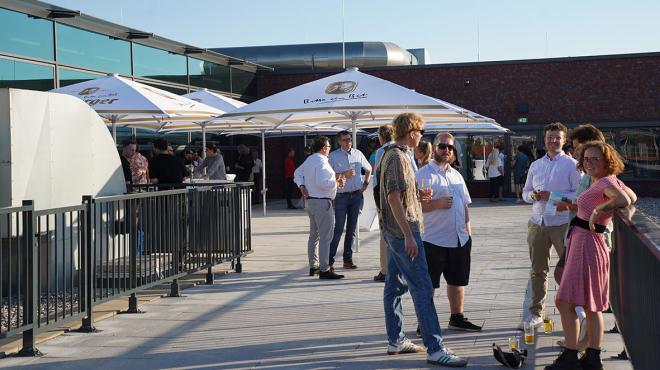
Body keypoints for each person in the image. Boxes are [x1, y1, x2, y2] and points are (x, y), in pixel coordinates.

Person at [378, 113, 467, 367]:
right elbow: (393, 197)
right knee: (422, 287)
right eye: (421, 131)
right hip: (403, 230)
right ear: (412, 132)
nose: (422, 136)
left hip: (397, 229)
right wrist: (408, 235)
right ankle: (435, 347)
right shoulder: (396, 156)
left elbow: (399, 194)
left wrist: (417, 195)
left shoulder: (397, 154)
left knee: (394, 286)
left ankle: (395, 339)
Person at [546, 142, 633, 370]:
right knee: (589, 304)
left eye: (596, 159)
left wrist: (598, 211)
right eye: (586, 159)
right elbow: (631, 196)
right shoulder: (605, 180)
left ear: (607, 161)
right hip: (584, 241)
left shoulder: (605, 181)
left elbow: (624, 200)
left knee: (565, 301)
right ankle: (591, 358)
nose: (590, 163)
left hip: (588, 243)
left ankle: (572, 356)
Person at [416, 132, 481, 334]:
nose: (447, 151)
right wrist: (436, 204)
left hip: (459, 238)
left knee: (458, 280)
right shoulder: (423, 174)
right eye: (442, 146)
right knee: (430, 284)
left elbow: (465, 204)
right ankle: (424, 323)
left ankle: (457, 317)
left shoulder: (456, 174)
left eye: (450, 147)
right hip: (433, 239)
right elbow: (414, 207)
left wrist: (468, 230)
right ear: (434, 148)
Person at [519, 122, 581, 330]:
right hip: (537, 223)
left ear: (564, 140)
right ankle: (535, 314)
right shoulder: (536, 165)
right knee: (538, 271)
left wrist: (552, 196)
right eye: (550, 137)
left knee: (568, 271)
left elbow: (578, 194)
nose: (553, 141)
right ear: (544, 140)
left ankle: (574, 314)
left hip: (561, 224)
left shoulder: (572, 165)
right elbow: (525, 193)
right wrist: (532, 195)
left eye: (557, 137)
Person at [294, 136, 345, 280]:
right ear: (323, 148)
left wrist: (301, 185)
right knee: (325, 237)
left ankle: (314, 266)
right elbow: (322, 182)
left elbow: (297, 173)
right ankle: (324, 268)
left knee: (314, 236)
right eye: (329, 147)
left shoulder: (310, 159)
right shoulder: (322, 161)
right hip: (322, 202)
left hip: (311, 201)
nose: (329, 149)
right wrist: (337, 183)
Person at [328, 131, 372, 270]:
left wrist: (365, 184)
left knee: (352, 230)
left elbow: (369, 168)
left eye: (350, 139)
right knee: (339, 229)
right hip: (341, 196)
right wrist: (343, 174)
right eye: (345, 140)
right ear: (339, 142)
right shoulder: (333, 156)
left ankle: (348, 259)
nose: (348, 142)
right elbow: (328, 175)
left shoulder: (358, 153)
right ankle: (329, 260)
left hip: (356, 196)